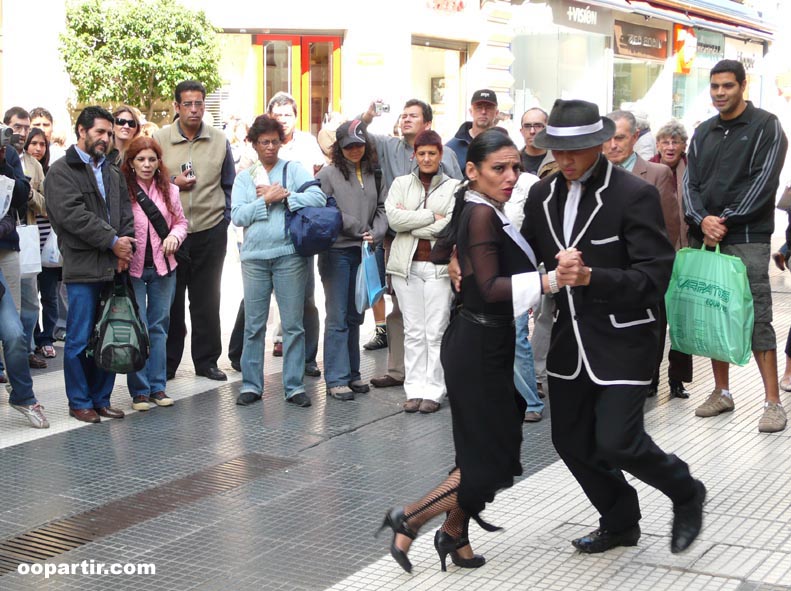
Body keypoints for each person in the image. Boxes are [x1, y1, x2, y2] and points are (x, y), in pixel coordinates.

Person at [521, 98, 706, 555]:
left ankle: (686, 491)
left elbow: (654, 275)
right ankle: (621, 520)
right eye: (557, 150)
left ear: (601, 143)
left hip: (626, 337)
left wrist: (591, 277)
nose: (564, 160)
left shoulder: (634, 194)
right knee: (569, 440)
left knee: (618, 440)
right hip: (569, 339)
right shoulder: (541, 196)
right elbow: (522, 254)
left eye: (576, 149)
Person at [378, 129, 552, 574]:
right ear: (472, 171)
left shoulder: (480, 207)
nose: (511, 175)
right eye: (500, 168)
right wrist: (549, 282)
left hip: (484, 343)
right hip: (476, 347)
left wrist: (458, 260)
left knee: (488, 454)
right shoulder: (480, 213)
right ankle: (413, 517)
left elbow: (442, 252)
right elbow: (493, 289)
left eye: (516, 167)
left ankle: (454, 532)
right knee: (488, 460)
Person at [683, 59, 789, 433]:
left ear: (743, 86)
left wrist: (722, 220)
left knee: (757, 316)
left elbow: (764, 182)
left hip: (747, 238)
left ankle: (773, 403)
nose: (720, 93)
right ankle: (722, 392)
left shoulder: (766, 126)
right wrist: (701, 220)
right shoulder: (703, 132)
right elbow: (689, 184)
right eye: (714, 87)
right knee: (713, 313)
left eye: (727, 86)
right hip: (706, 236)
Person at [361, 98, 463, 389]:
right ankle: (400, 373)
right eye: (403, 115)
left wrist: (417, 220)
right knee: (403, 313)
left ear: (427, 124)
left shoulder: (448, 161)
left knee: (436, 321)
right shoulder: (390, 147)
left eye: (413, 116)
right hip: (400, 246)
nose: (405, 119)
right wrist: (368, 115)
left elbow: (454, 207)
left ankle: (438, 382)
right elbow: (394, 218)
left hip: (438, 251)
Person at [44, 106, 135, 424]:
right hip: (82, 268)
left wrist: (125, 248)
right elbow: (72, 217)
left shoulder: (111, 171)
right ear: (81, 131)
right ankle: (79, 401)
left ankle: (101, 398)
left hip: (113, 267)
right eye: (100, 132)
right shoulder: (60, 172)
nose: (106, 138)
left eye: (109, 133)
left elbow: (126, 214)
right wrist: (114, 242)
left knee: (108, 334)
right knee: (79, 338)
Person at [231, 115, 325, 408]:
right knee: (254, 325)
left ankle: (294, 386)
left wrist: (285, 197)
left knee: (294, 324)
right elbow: (237, 215)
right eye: (264, 142)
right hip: (255, 258)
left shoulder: (293, 170)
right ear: (254, 144)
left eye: (274, 141)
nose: (270, 147)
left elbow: (318, 198)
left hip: (289, 256)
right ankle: (251, 384)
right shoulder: (245, 178)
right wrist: (265, 201)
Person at [154, 80, 235, 382]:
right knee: (171, 301)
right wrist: (174, 181)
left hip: (209, 230)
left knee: (207, 299)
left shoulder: (218, 140)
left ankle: (207, 361)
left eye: (199, 103)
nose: (193, 109)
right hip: (171, 234)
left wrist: (223, 219)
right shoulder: (160, 139)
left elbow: (229, 184)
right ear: (176, 107)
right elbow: (146, 181)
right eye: (187, 104)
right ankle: (168, 362)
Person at [603, 109, 681, 398]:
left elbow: (670, 224)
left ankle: (649, 376)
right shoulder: (595, 175)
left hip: (644, 268)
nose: (613, 145)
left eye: (620, 138)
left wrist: (651, 263)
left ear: (635, 137)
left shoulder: (657, 173)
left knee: (650, 322)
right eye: (608, 138)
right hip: (607, 271)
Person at [385, 130, 458, 414]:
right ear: (414, 155)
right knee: (414, 331)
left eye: (432, 153)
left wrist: (410, 222)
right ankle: (414, 389)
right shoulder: (401, 183)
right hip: (407, 267)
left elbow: (450, 225)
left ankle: (434, 391)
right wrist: (430, 217)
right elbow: (394, 219)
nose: (427, 158)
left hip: (438, 268)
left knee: (436, 331)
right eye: (422, 153)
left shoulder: (454, 187)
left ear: (441, 155)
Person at [316, 120, 387, 401]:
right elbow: (325, 209)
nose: (355, 150)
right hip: (337, 251)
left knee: (356, 314)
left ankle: (353, 374)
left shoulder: (374, 173)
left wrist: (376, 232)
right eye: (349, 146)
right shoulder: (328, 174)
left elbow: (383, 207)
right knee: (337, 316)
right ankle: (336, 377)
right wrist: (358, 227)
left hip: (364, 252)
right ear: (339, 148)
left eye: (359, 144)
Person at [121, 136, 187, 411]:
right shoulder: (123, 190)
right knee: (138, 328)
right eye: (140, 159)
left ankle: (158, 387)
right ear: (131, 163)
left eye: (152, 159)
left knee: (159, 327)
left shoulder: (170, 190)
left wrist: (174, 236)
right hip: (133, 268)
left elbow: (182, 223)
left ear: (159, 162)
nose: (147, 165)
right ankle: (138, 390)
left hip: (163, 267)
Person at [262, 92, 323, 373]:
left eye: (288, 115)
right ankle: (240, 354)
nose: (283, 120)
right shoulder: (262, 143)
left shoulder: (308, 144)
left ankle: (308, 358)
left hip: (299, 230)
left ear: (296, 117)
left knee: (306, 296)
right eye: (278, 115)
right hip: (266, 228)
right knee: (258, 297)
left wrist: (290, 197)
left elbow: (317, 182)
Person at [651, 119, 694, 398]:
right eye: (664, 141)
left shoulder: (693, 171)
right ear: (657, 145)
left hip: (688, 253)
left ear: (683, 145)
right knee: (655, 321)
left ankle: (677, 380)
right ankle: (649, 378)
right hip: (657, 256)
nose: (669, 146)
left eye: (675, 141)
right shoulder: (648, 170)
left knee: (682, 321)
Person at [4, 107, 48, 369]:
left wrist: (29, 194)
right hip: (6, 236)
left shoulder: (33, 164)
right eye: (17, 127)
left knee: (30, 301)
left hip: (25, 235)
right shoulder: (6, 156)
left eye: (25, 127)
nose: (21, 132)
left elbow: (45, 205)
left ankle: (27, 348)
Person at [25, 128, 59, 360]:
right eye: (34, 143)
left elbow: (49, 207)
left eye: (42, 144)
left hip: (48, 245)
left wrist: (32, 196)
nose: (38, 148)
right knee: (29, 298)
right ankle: (33, 339)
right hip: (28, 244)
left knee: (49, 295)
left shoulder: (48, 173)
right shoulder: (21, 170)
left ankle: (47, 338)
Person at [445, 89, 499, 168]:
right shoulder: (452, 148)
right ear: (471, 111)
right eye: (479, 108)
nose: (483, 112)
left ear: (496, 113)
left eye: (488, 108)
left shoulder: (504, 145)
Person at [519, 107, 557, 178]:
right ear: (521, 131)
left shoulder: (558, 162)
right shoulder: (514, 162)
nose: (532, 131)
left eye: (538, 126)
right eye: (527, 126)